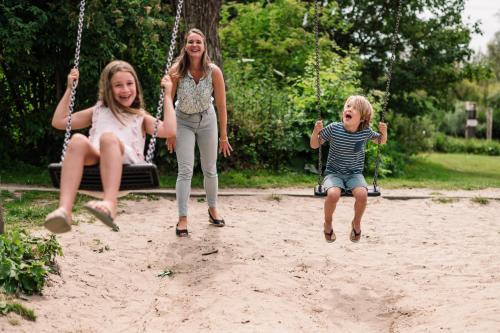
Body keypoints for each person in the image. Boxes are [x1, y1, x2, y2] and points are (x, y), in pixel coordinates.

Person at [44, 60, 176, 233]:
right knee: (76, 139)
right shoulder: (97, 111)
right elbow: (59, 122)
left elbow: (170, 130)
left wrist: (167, 96)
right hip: (96, 159)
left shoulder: (140, 117)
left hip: (125, 164)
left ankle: (110, 203)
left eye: (130, 84)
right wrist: (70, 89)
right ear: (108, 88)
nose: (126, 90)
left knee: (108, 139)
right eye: (118, 85)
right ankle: (65, 210)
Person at [163, 28, 232, 237]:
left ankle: (212, 209)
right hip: (182, 121)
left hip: (207, 120)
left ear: (204, 47)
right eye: (191, 42)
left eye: (198, 42)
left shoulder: (214, 72)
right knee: (185, 171)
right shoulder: (177, 71)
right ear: (186, 46)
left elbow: (221, 106)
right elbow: (167, 101)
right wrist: (170, 132)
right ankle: (182, 218)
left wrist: (223, 136)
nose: (194, 45)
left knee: (210, 169)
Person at [310, 95, 387, 243]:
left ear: (363, 119)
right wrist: (316, 131)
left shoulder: (365, 132)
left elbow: (380, 141)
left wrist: (384, 132)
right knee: (333, 194)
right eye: (348, 106)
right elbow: (314, 144)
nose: (349, 109)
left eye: (354, 108)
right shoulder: (334, 128)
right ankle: (328, 223)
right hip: (333, 174)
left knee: (362, 195)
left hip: (354, 174)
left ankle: (356, 222)